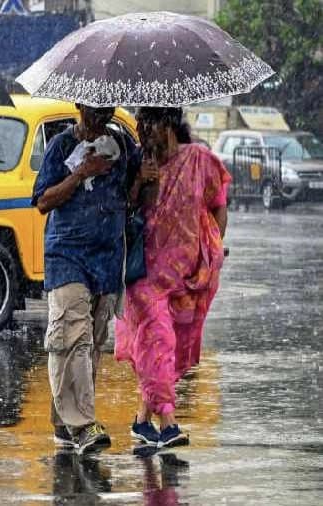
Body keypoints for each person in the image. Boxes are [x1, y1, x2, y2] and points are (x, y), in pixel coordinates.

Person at [115, 107, 229, 448]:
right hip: (144, 273)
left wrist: (214, 249)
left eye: (149, 123)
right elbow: (123, 209)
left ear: (167, 123)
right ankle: (168, 423)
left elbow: (218, 204)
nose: (142, 130)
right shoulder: (136, 162)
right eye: (140, 123)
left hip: (186, 275)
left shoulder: (199, 160)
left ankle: (141, 421)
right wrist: (140, 182)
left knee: (166, 351)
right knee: (159, 339)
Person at [31, 104, 139, 453]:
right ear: (79, 106)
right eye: (95, 108)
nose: (101, 115)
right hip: (67, 256)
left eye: (107, 109)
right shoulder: (61, 146)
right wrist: (81, 173)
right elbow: (44, 201)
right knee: (70, 337)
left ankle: (65, 421)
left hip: (106, 260)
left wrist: (144, 179)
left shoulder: (123, 146)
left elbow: (130, 200)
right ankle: (83, 423)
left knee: (89, 344)